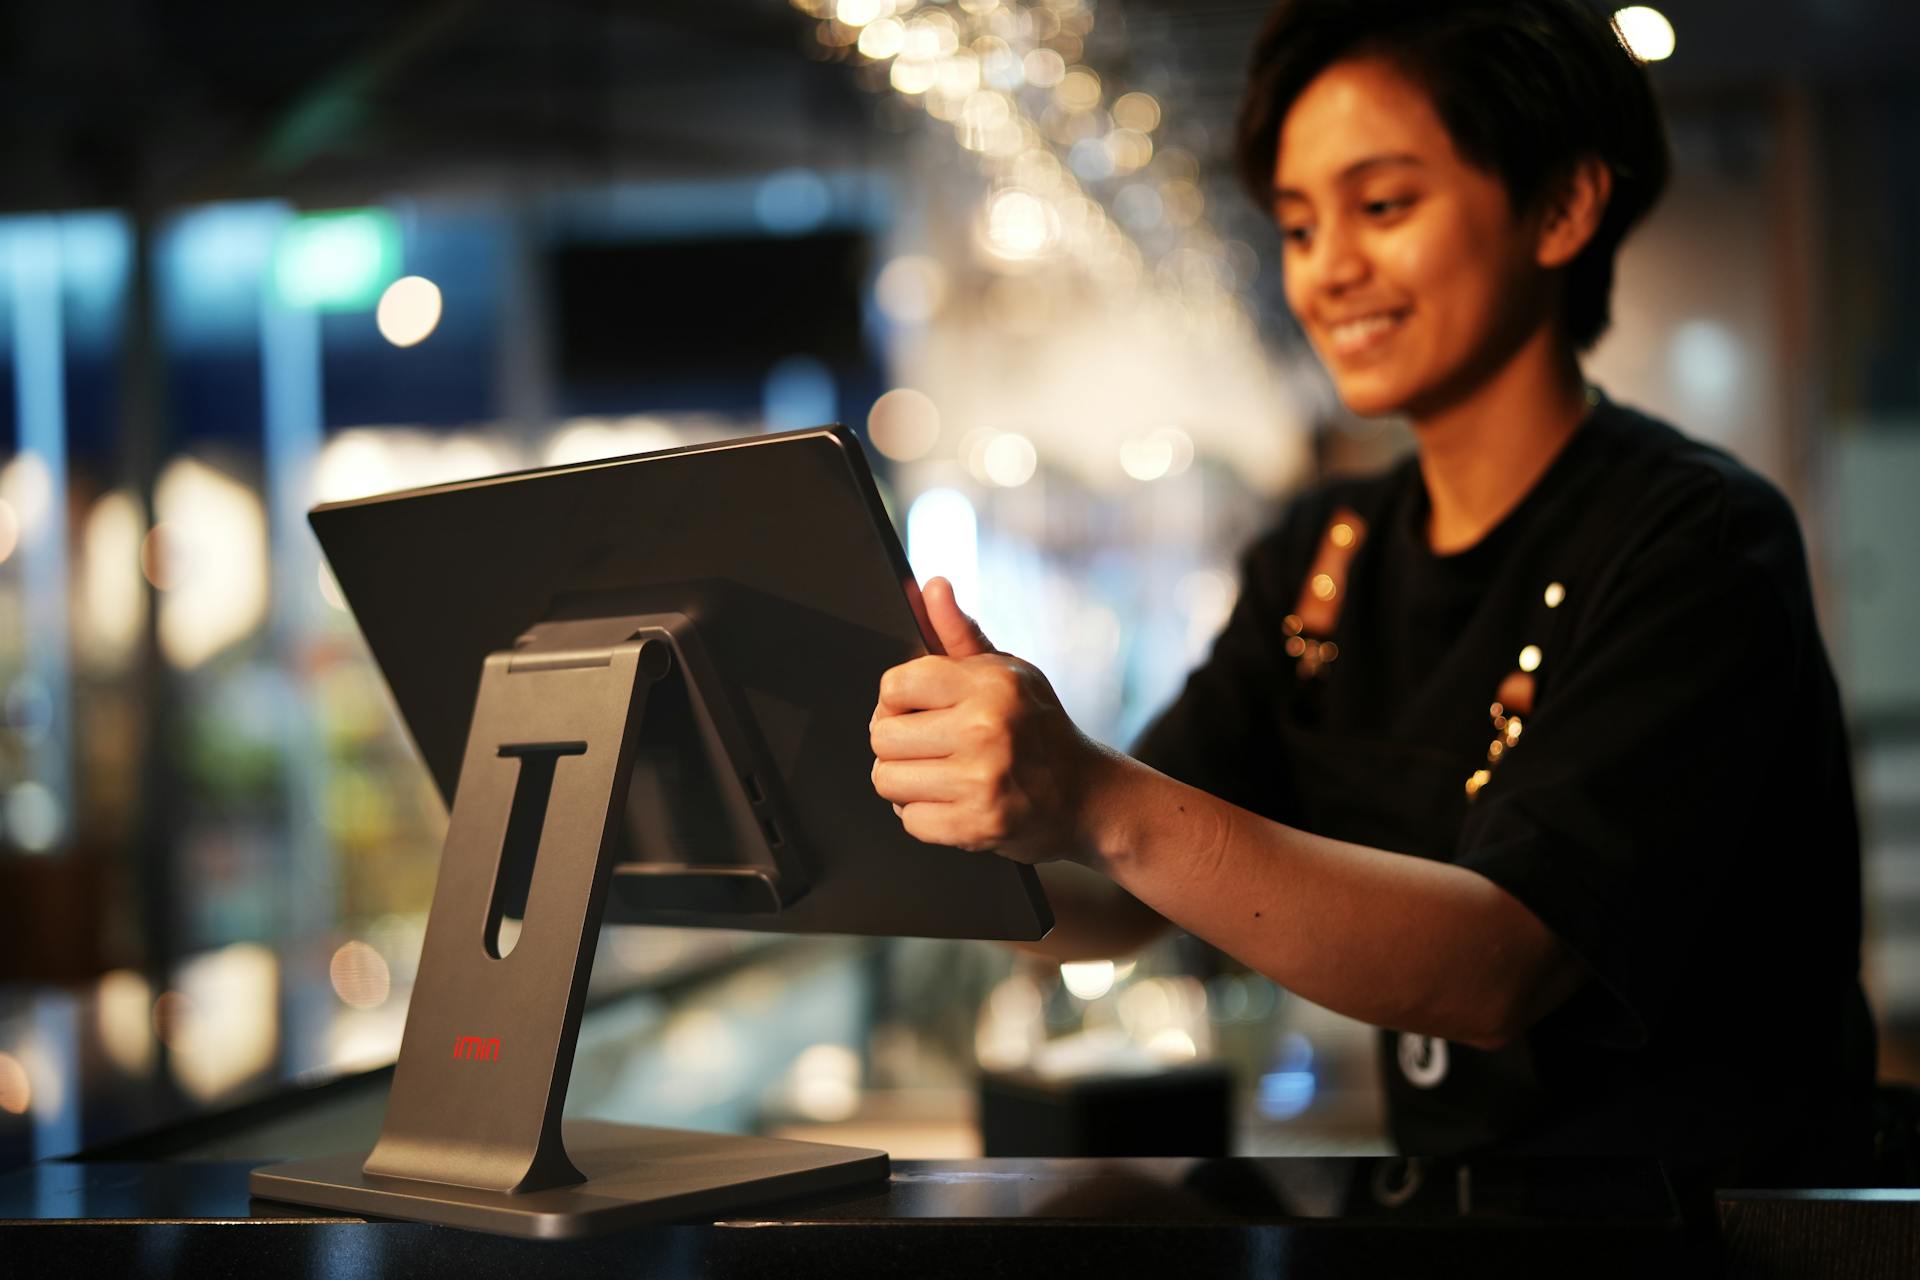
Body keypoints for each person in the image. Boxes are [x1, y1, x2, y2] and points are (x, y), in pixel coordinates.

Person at [868, 0, 1876, 1181]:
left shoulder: (1693, 541)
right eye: (1298, 225)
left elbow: (1495, 967)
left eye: (1382, 206)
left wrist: (1091, 793)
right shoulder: (1325, 552)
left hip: (1692, 1238)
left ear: (1561, 207)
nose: (1329, 269)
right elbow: (1129, 896)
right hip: (1449, 1227)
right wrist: (971, 821)